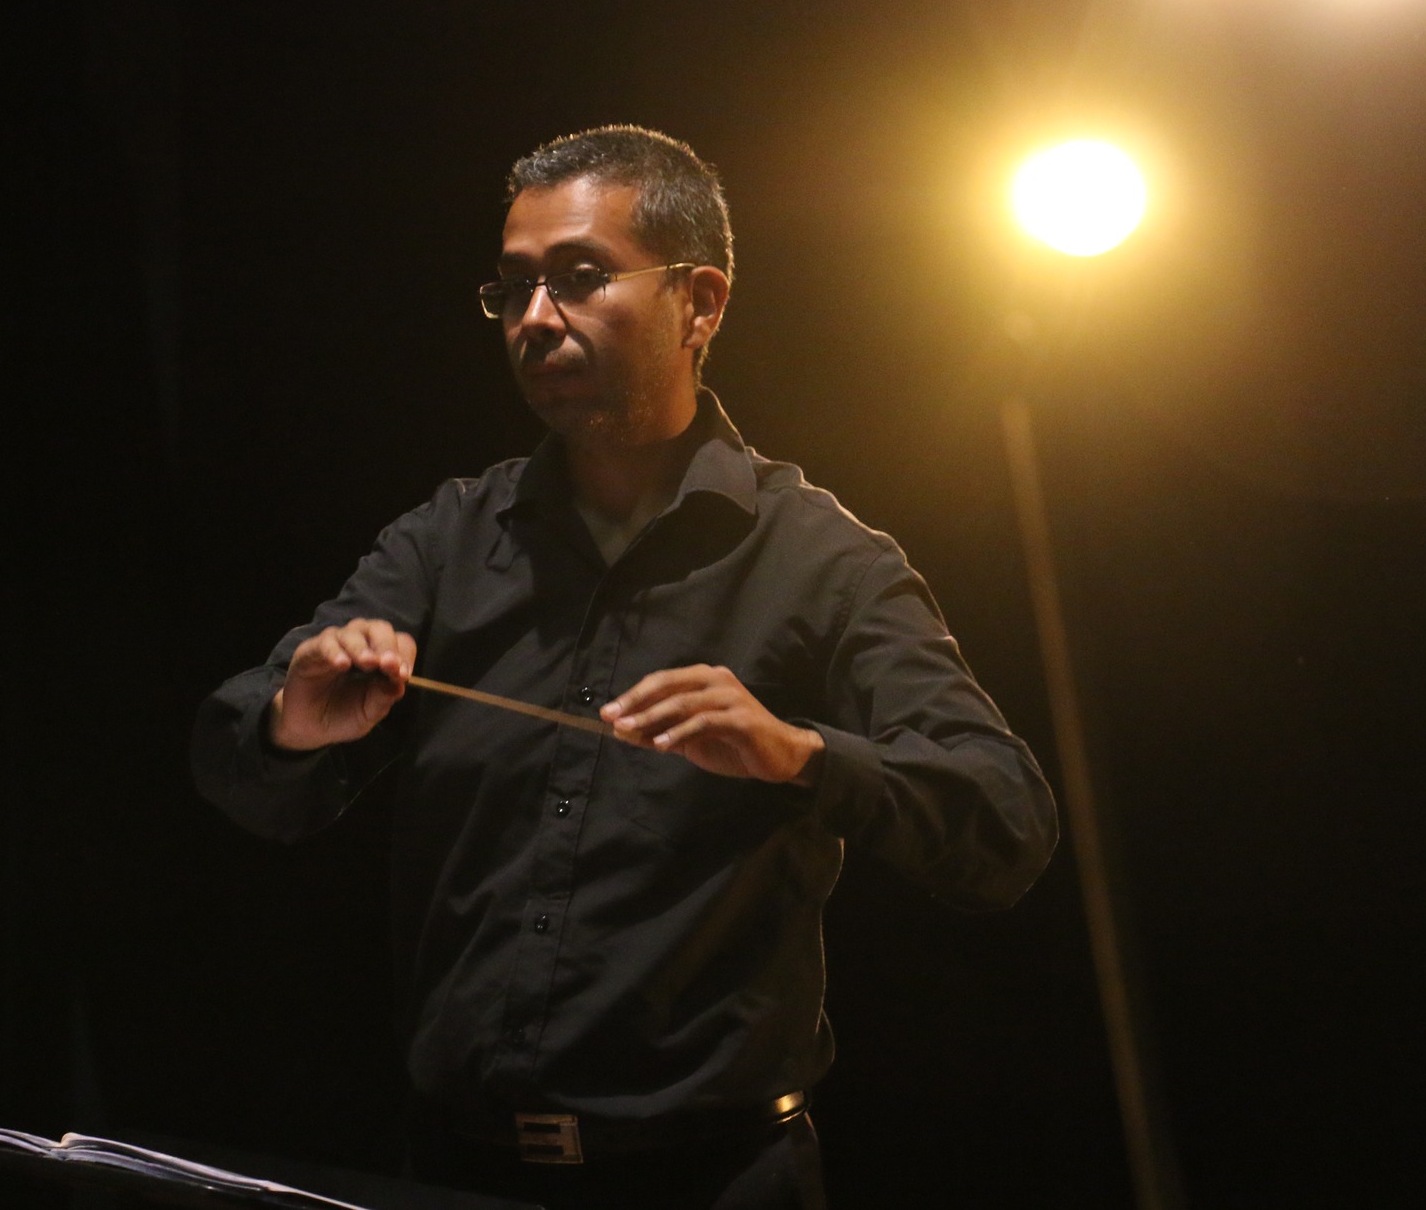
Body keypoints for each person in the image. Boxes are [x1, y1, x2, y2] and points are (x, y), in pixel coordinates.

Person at [192, 125, 1058, 1210]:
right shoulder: (447, 539)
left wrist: (798, 755)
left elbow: (1005, 823)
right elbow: (237, 767)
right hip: (455, 1172)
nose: (534, 317)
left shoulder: (822, 562)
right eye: (513, 288)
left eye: (578, 277)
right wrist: (292, 723)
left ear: (700, 302)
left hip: (714, 1182)